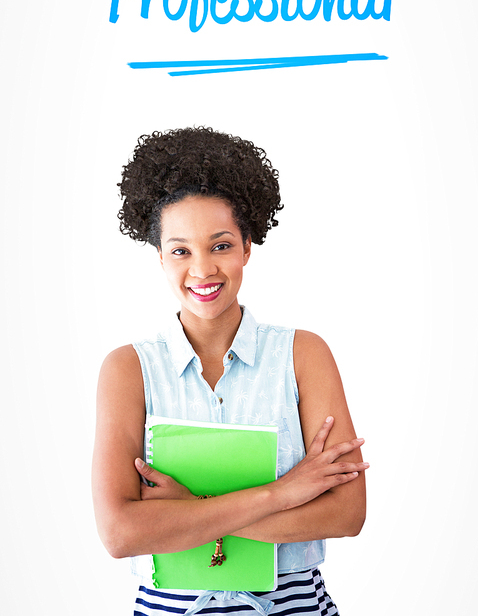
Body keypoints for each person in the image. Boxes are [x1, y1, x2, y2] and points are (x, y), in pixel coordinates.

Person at [92, 126, 368, 616]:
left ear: (246, 247)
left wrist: (186, 510)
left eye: (220, 245)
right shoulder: (128, 369)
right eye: (181, 250)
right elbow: (120, 534)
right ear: (160, 257)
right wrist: (281, 495)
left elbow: (347, 514)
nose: (202, 270)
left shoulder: (304, 355)